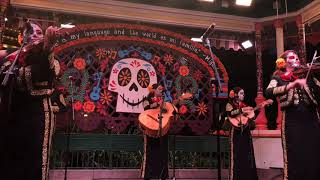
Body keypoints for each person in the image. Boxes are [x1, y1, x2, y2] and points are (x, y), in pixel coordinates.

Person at [0, 20, 65, 180]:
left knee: (34, 160)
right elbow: (6, 77)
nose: (35, 35)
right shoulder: (10, 57)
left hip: (38, 117)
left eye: (39, 33)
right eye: (30, 33)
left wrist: (48, 48)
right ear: (21, 38)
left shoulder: (51, 59)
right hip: (12, 114)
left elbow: (42, 72)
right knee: (10, 158)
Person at [265, 50, 320, 180]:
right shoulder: (278, 78)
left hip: (311, 118)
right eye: (291, 57)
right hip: (292, 120)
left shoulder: (307, 75)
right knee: (295, 154)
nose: (296, 59)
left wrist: (311, 77)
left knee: (314, 152)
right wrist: (291, 85)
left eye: (297, 57)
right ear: (283, 62)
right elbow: (269, 92)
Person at [226, 87, 258, 180]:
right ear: (235, 95)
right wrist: (242, 110)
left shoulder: (244, 105)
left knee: (247, 155)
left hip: (245, 132)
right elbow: (230, 113)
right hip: (235, 133)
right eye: (241, 93)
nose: (243, 95)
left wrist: (252, 113)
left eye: (243, 93)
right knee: (237, 155)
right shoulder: (229, 104)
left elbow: (251, 119)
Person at [140, 83, 170, 180]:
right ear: (153, 90)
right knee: (150, 152)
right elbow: (146, 109)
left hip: (161, 129)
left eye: (162, 89)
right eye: (159, 89)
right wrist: (157, 104)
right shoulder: (146, 99)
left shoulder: (164, 101)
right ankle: (148, 176)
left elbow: (167, 112)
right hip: (150, 129)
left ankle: (162, 176)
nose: (161, 90)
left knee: (162, 152)